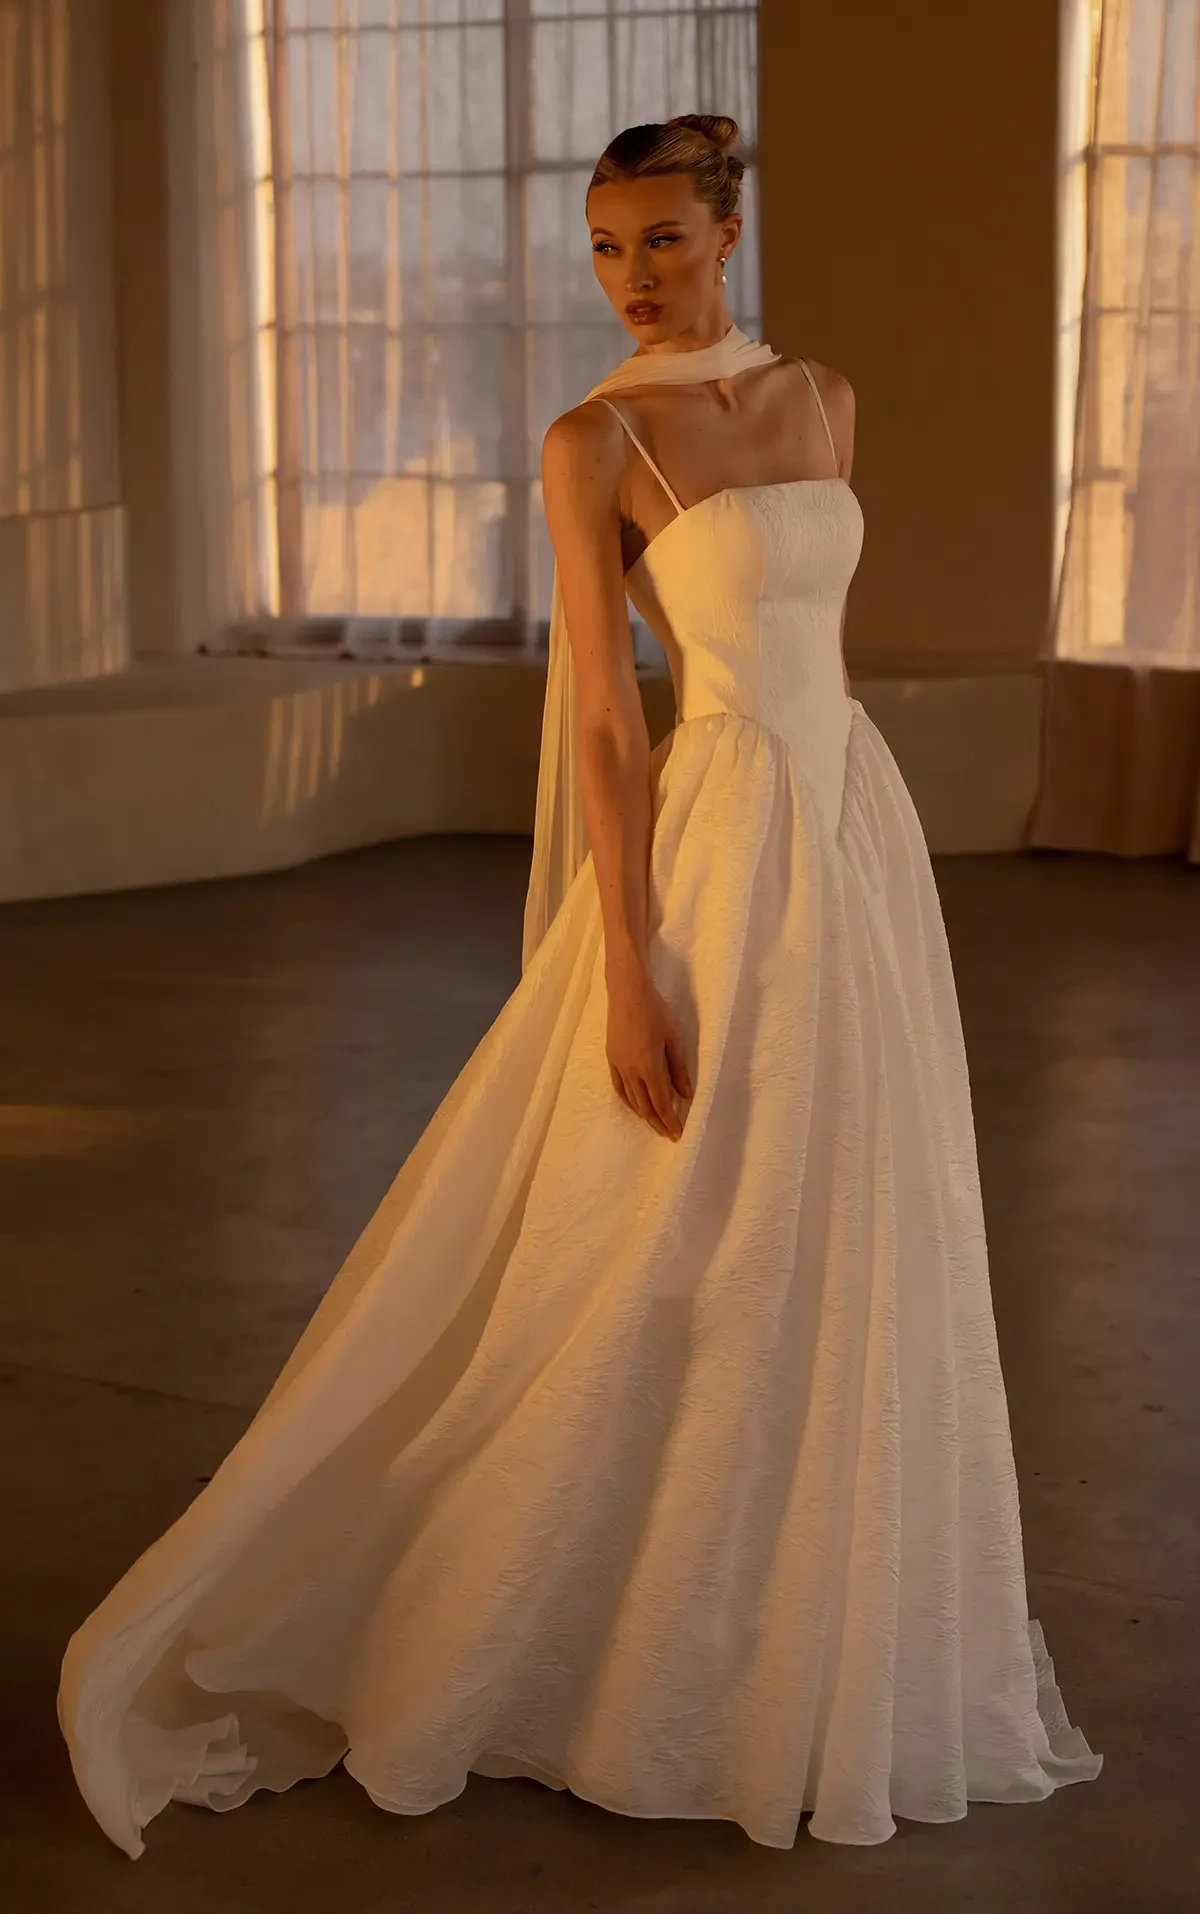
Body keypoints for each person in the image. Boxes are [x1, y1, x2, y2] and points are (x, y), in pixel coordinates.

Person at [58, 114, 1102, 1860]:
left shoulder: (830, 400)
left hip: (853, 834)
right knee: (688, 1225)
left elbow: (813, 639)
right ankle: (612, 1618)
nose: (630, 280)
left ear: (732, 230)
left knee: (851, 1207)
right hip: (719, 850)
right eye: (606, 248)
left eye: (664, 244)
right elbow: (609, 719)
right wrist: (624, 964)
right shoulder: (594, 441)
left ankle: (810, 1613)